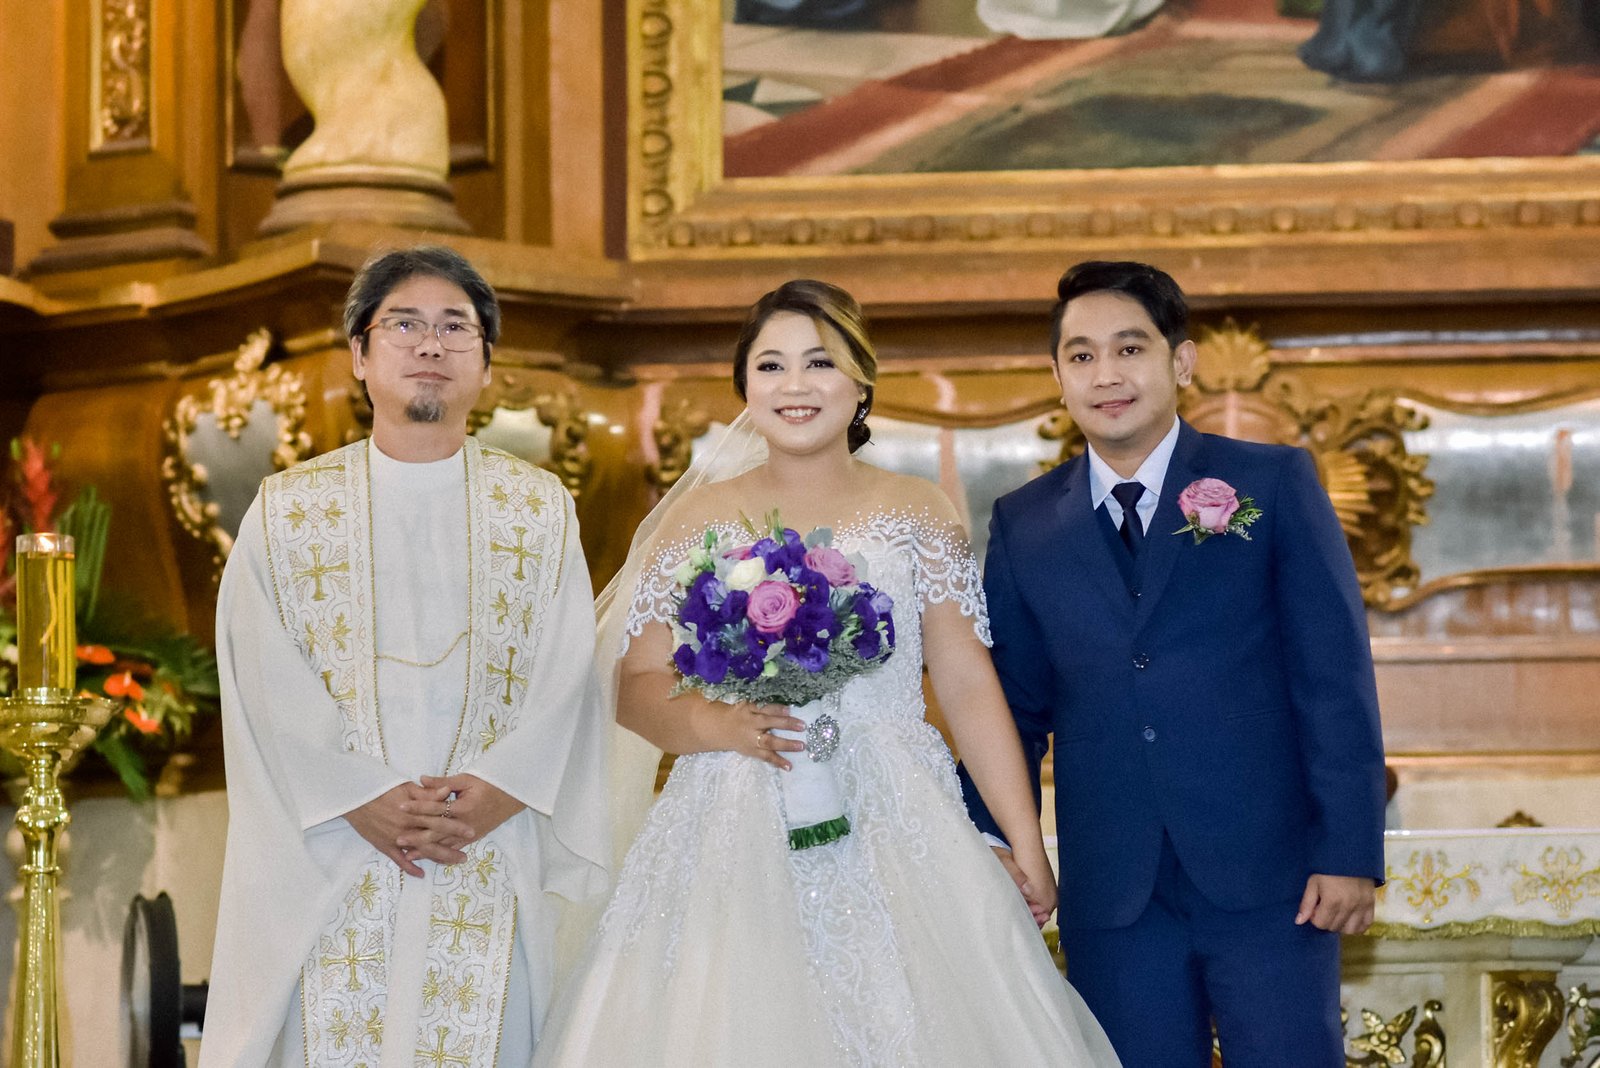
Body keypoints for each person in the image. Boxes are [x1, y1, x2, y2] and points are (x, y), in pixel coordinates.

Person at [531, 280, 1119, 1066]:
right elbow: (635, 682)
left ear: (860, 381)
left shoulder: (918, 511)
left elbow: (966, 681)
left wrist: (1024, 839)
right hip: (735, 812)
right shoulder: (697, 519)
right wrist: (716, 723)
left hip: (898, 810)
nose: (795, 385)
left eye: (819, 362)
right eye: (771, 366)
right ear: (745, 386)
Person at [962, 260, 1387, 1067]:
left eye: (1130, 349)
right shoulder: (1025, 523)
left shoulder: (1271, 483)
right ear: (1057, 378)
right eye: (1082, 356)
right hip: (1115, 891)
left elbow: (1332, 678)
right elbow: (1011, 707)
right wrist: (993, 841)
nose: (1106, 375)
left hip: (1272, 882)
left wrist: (1348, 852)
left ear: (1180, 362)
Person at [202, 246, 611, 1068]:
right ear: (359, 353)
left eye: (456, 327)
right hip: (332, 849)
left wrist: (502, 789)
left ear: (486, 363)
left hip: (487, 843)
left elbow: (571, 670)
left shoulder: (538, 509)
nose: (431, 344)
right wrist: (358, 795)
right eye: (405, 324)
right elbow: (260, 679)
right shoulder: (288, 511)